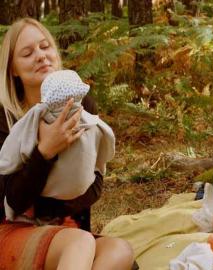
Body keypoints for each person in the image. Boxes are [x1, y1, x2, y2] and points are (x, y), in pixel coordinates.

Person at [0, 18, 134, 269]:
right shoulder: (5, 118)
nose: (41, 56)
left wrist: (51, 206)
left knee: (120, 250)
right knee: (80, 244)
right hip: (11, 230)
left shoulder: (82, 106)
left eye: (45, 47)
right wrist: (45, 151)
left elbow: (94, 185)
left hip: (68, 229)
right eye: (27, 53)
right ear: (13, 69)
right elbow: (11, 201)